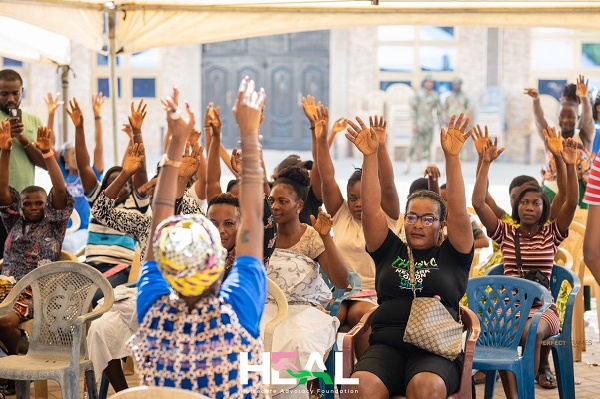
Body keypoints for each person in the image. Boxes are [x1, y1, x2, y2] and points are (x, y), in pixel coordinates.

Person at [128, 77, 267, 398]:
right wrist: (249, 132)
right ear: (219, 264)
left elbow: (160, 213)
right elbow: (254, 218)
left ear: (165, 266)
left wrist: (175, 144)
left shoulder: (152, 309)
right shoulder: (237, 312)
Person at [347, 114, 473, 398]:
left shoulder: (453, 254)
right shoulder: (388, 248)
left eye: (428, 219)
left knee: (425, 386)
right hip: (386, 346)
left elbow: (460, 210)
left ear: (442, 224)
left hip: (435, 348)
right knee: (361, 386)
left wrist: (451, 158)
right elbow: (370, 208)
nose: (418, 224)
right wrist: (370, 156)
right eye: (412, 217)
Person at [471, 128, 578, 398]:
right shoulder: (506, 233)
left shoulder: (551, 234)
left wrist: (568, 163)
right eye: (524, 202)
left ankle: (527, 385)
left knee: (529, 331)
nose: (529, 207)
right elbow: (479, 201)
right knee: (505, 330)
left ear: (544, 208)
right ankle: (515, 396)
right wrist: (484, 162)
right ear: (517, 206)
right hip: (508, 311)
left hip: (543, 311)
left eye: (536, 203)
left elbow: (571, 201)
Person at [314, 106, 399, 358]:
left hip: (372, 295)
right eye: (353, 198)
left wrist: (379, 148)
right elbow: (327, 178)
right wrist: (320, 139)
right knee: (320, 320)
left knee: (363, 321)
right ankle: (321, 385)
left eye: (363, 198)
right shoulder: (340, 213)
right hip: (337, 292)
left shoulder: (386, 216)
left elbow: (389, 184)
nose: (358, 204)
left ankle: (362, 376)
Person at [264, 163, 349, 398]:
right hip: (267, 310)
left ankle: (287, 392)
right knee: (254, 335)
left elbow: (341, 281)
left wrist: (326, 237)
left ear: (299, 205)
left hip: (302, 313)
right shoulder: (264, 237)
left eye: (283, 201)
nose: (275, 206)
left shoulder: (310, 236)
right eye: (272, 200)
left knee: (296, 341)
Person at [0, 122, 73, 375]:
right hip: (5, 286)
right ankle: (13, 366)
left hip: (36, 291)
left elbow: (61, 189)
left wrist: (48, 154)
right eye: (28, 204)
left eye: (39, 203)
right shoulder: (14, 221)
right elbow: (2, 190)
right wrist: (6, 151)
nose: (34, 208)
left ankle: (20, 367)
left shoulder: (54, 223)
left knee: (5, 322)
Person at [525, 75, 593, 208]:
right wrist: (536, 100)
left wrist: (584, 98)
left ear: (578, 118)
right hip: (552, 192)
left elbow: (588, 120)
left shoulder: (584, 136)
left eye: (570, 116)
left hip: (580, 193)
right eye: (562, 116)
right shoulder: (551, 137)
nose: (565, 120)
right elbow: (540, 121)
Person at [54, 92, 105, 253]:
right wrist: (51, 114)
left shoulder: (91, 176)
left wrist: (97, 116)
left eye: (81, 152)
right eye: (73, 153)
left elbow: (99, 147)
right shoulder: (62, 175)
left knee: (68, 246)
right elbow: (48, 148)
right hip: (63, 231)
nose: (79, 156)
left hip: (83, 231)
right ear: (66, 159)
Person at [405, 75, 443, 174]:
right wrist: (413, 122)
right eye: (427, 82)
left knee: (426, 146)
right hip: (418, 123)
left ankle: (423, 166)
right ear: (424, 82)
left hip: (429, 124)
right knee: (413, 145)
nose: (429, 84)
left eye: (431, 82)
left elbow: (439, 111)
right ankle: (408, 164)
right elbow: (413, 109)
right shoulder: (418, 94)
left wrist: (440, 124)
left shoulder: (435, 95)